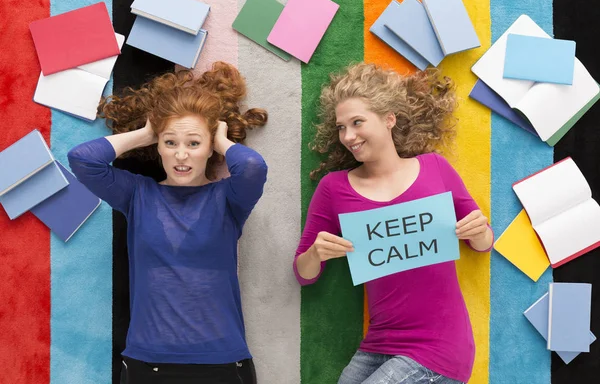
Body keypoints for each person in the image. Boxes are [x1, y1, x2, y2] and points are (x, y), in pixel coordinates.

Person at [293, 62, 494, 384]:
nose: (348, 136)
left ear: (389, 119)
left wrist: (479, 230)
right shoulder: (333, 188)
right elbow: (303, 275)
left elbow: (482, 244)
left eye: (357, 122)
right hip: (379, 342)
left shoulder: (435, 168)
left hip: (440, 345)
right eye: (341, 127)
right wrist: (315, 254)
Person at [68, 62, 268, 384]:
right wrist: (147, 132)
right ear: (158, 146)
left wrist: (220, 139)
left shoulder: (228, 198)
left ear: (209, 148)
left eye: (193, 143)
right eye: (170, 142)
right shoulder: (137, 194)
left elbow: (253, 167)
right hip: (147, 364)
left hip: (223, 363)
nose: (181, 155)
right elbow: (83, 160)